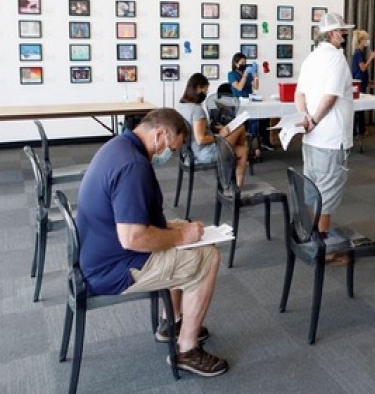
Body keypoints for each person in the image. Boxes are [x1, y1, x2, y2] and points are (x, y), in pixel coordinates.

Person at [76, 108, 228, 377]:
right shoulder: (133, 166)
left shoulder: (118, 145)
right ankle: (187, 350)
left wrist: (180, 231)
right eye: (170, 148)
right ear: (159, 135)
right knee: (208, 257)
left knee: (185, 229)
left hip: (98, 250)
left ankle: (173, 321)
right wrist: (181, 237)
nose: (167, 156)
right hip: (113, 267)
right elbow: (132, 238)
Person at [295, 11, 355, 259]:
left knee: (312, 191)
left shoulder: (311, 58)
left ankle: (311, 240)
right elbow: (330, 97)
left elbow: (299, 95)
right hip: (330, 139)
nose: (345, 35)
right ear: (331, 34)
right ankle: (323, 252)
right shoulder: (337, 60)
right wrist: (315, 120)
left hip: (311, 139)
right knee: (327, 195)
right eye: (342, 31)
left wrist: (306, 118)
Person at [176, 73, 249, 189]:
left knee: (242, 150)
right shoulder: (196, 110)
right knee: (240, 128)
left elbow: (196, 130)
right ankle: (233, 182)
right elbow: (200, 139)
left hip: (190, 152)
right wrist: (219, 136)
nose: (206, 93)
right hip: (203, 154)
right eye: (205, 90)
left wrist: (213, 129)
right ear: (198, 88)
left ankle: (234, 181)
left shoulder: (181, 106)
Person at [228, 53, 273, 154]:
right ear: (235, 63)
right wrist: (244, 75)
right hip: (239, 104)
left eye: (245, 62)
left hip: (250, 102)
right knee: (254, 118)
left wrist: (255, 75)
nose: (244, 64)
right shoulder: (231, 75)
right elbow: (239, 87)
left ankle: (265, 141)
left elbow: (256, 87)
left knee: (265, 116)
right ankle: (254, 144)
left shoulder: (247, 74)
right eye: (242, 63)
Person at [350, 29, 375, 136]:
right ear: (362, 40)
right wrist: (371, 57)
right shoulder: (358, 53)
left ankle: (359, 129)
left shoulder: (358, 52)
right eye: (366, 39)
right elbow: (363, 68)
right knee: (359, 107)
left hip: (360, 82)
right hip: (359, 83)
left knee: (360, 107)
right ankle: (358, 130)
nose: (368, 41)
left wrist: (367, 80)